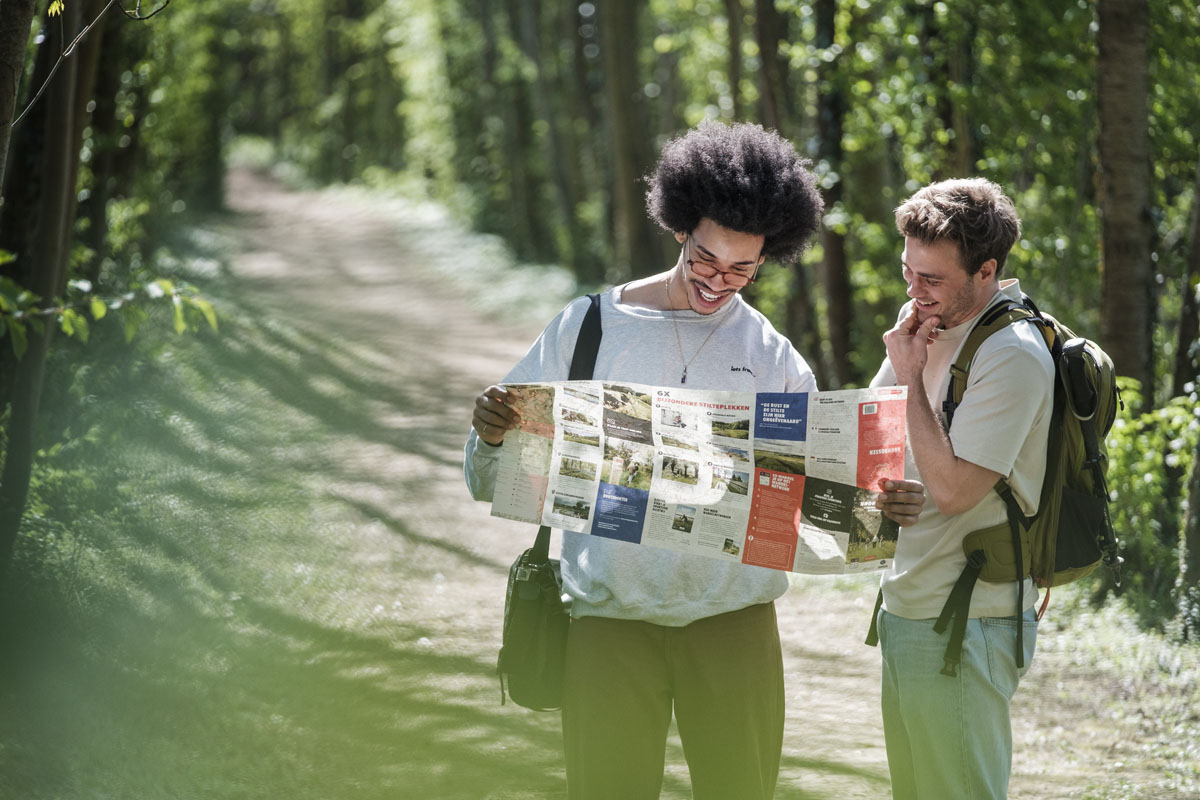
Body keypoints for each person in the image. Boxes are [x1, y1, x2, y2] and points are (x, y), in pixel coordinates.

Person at [466, 120, 925, 800]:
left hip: (734, 630)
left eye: (743, 269)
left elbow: (819, 514)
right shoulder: (588, 328)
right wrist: (492, 436)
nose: (719, 283)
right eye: (706, 260)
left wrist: (882, 510)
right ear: (680, 227)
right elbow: (487, 481)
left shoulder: (772, 357)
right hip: (608, 626)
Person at [871, 177, 1054, 799]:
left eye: (931, 280)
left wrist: (912, 375)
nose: (912, 293)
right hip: (908, 604)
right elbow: (875, 441)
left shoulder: (1014, 355)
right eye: (907, 271)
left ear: (986, 271)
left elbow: (951, 491)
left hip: (965, 620)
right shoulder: (928, 326)